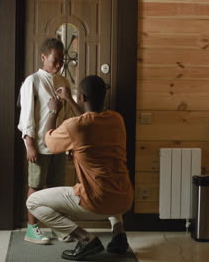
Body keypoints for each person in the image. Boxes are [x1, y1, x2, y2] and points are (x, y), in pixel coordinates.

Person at [26, 75, 134, 260]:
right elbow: (88, 122)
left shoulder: (75, 126)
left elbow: (49, 140)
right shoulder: (117, 120)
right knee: (109, 179)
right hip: (124, 198)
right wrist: (69, 100)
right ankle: (119, 236)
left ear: (82, 97)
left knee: (33, 202)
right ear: (104, 95)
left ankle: (86, 239)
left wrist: (53, 111)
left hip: (97, 202)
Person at [17, 38, 81, 244]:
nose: (59, 65)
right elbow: (26, 115)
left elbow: (68, 117)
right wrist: (29, 144)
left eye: (62, 61)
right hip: (38, 146)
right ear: (43, 57)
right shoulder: (32, 81)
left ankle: (60, 229)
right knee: (35, 186)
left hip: (58, 145)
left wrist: (69, 143)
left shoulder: (63, 82)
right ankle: (31, 229)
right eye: (55, 60)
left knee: (56, 188)